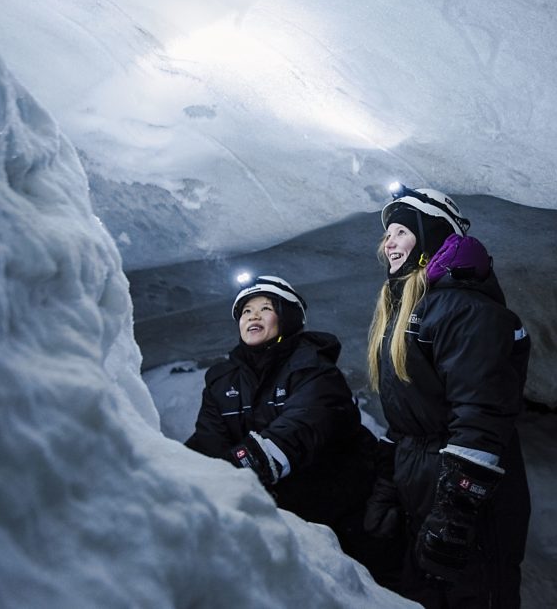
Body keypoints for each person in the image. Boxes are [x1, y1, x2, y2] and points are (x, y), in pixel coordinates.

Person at [363, 184, 532, 608]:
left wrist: (456, 508)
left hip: (465, 491)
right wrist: (389, 483)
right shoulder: (408, 311)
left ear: (431, 234)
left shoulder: (464, 308)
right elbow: (408, 417)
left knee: (474, 594)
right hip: (421, 479)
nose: (389, 243)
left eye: (401, 231)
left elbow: (481, 413)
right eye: (387, 235)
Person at [185, 274, 380, 565]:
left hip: (342, 512)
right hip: (278, 513)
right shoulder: (221, 380)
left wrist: (246, 462)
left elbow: (304, 424)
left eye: (266, 308)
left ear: (287, 318)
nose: (253, 316)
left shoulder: (314, 367)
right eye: (246, 311)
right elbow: (209, 440)